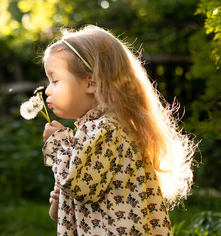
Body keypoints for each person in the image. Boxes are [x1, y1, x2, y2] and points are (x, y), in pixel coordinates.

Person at [42, 25, 196, 235]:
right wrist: (61, 199)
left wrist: (58, 143)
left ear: (90, 82)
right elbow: (79, 192)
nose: (47, 90)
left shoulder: (106, 130)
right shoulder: (94, 129)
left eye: (55, 80)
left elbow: (79, 186)